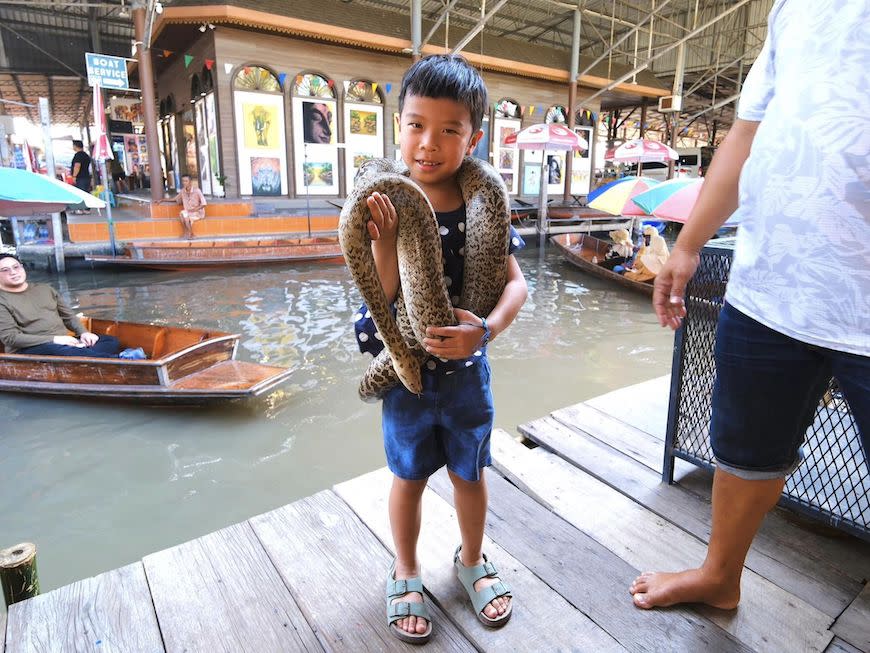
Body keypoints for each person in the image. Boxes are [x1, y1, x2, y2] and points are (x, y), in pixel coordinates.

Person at [631, 0, 869, 611]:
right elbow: (749, 131)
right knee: (743, 449)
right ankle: (720, 575)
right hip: (771, 281)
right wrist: (688, 245)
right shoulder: (793, 7)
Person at [354, 54, 527, 643]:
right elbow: (383, 295)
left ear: (473, 137)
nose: (430, 143)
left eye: (449, 129)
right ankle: (406, 569)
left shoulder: (486, 204)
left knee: (470, 473)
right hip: (407, 373)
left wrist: (487, 330)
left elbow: (517, 284)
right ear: (398, 126)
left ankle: (471, 559)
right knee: (407, 476)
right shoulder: (387, 201)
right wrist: (383, 240)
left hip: (468, 371)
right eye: (416, 124)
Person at [0, 254, 120, 357]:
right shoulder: (2, 300)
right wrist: (55, 340)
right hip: (30, 349)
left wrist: (83, 333)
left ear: (22, 267)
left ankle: (81, 354)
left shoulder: (45, 289)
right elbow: (11, 338)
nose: (13, 272)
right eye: (5, 270)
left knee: (110, 340)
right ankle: (119, 360)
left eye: (16, 267)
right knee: (57, 350)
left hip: (63, 344)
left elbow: (68, 316)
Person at [158, 174, 207, 239]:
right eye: (183, 181)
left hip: (197, 212)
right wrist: (162, 200)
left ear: (190, 182)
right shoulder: (183, 191)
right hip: (188, 212)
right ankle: (188, 233)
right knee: (182, 214)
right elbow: (174, 199)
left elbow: (204, 204)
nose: (184, 183)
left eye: (186, 181)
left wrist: (195, 209)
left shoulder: (197, 191)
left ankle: (190, 234)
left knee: (185, 216)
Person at [70, 140, 92, 214]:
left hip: (80, 177)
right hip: (86, 176)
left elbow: (77, 166)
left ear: (76, 146)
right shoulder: (86, 155)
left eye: (73, 145)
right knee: (86, 192)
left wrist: (74, 176)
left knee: (79, 193)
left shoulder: (78, 155)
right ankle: (86, 209)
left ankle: (79, 209)